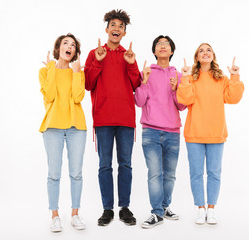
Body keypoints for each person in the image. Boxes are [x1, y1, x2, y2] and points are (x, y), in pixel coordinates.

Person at [84, 9, 140, 226]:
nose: (117, 29)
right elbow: (88, 84)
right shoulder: (95, 53)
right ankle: (107, 208)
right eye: (113, 25)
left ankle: (124, 207)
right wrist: (98, 61)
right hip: (103, 119)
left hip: (126, 119)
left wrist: (132, 64)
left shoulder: (129, 55)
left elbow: (136, 86)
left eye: (121, 27)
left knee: (125, 164)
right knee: (104, 165)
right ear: (106, 29)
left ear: (124, 33)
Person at [177, 43, 244, 225]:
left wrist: (235, 76)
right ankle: (200, 208)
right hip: (194, 133)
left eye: (208, 50)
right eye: (201, 51)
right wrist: (184, 79)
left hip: (216, 133)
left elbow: (233, 98)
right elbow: (184, 99)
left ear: (213, 56)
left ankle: (211, 209)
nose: (205, 53)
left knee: (214, 173)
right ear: (197, 57)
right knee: (196, 174)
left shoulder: (222, 79)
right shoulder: (191, 78)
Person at [134, 35, 186, 229]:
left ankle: (164, 207)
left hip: (172, 132)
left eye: (166, 44)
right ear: (154, 51)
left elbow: (182, 106)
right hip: (151, 131)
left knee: (170, 175)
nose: (162, 47)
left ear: (172, 51)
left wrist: (175, 89)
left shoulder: (178, 75)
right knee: (155, 173)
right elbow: (139, 102)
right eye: (159, 44)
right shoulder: (146, 72)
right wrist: (144, 82)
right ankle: (156, 213)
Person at [39, 33, 87, 232]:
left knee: (76, 174)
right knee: (54, 174)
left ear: (75, 52)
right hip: (52, 129)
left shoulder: (77, 72)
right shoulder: (45, 71)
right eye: (66, 43)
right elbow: (49, 95)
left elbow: (78, 97)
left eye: (73, 45)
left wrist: (76, 74)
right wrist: (51, 68)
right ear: (58, 49)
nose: (70, 47)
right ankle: (55, 215)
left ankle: (75, 215)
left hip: (76, 128)